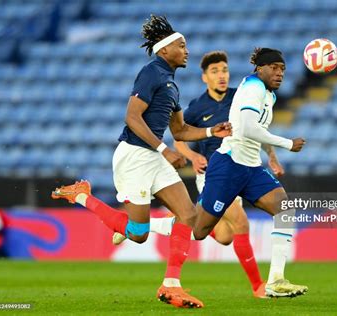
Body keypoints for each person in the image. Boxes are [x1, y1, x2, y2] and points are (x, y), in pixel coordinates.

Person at [51, 15, 231, 309]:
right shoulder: (151, 73)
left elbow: (181, 131)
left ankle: (171, 285)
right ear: (164, 50)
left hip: (154, 156)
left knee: (189, 216)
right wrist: (164, 149)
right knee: (138, 234)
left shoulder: (171, 84)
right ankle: (81, 195)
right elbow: (132, 117)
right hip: (135, 156)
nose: (187, 50)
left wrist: (212, 130)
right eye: (181, 45)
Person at [149, 51, 285, 298]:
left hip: (242, 170)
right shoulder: (196, 108)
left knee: (224, 236)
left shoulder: (241, 94)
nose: (221, 76)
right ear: (204, 78)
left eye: (224, 70)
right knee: (241, 221)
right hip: (216, 172)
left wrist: (272, 155)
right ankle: (258, 286)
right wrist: (193, 157)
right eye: (215, 71)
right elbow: (179, 136)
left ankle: (153, 223)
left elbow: (257, 126)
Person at [190, 47, 308, 297]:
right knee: (199, 231)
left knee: (285, 209)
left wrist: (271, 156)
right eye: (274, 68)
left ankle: (276, 280)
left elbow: (258, 132)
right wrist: (287, 144)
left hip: (251, 168)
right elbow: (247, 129)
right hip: (228, 166)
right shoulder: (253, 87)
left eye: (283, 69)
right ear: (260, 68)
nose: (280, 73)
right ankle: (141, 226)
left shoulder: (269, 95)